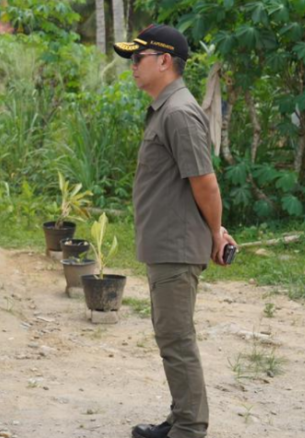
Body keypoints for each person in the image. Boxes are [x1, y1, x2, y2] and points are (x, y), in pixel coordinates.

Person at [112, 24, 237, 438]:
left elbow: (205, 182)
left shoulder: (180, 113)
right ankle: (180, 418)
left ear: (164, 61)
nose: (132, 66)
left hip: (176, 249)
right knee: (171, 338)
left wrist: (216, 232)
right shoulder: (168, 109)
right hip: (166, 246)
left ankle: (189, 428)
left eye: (138, 58)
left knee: (177, 340)